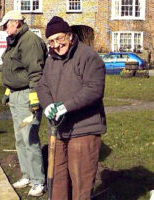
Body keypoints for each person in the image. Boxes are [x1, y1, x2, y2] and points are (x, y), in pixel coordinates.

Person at [37, 16, 107, 200]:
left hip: (84, 129)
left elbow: (94, 90)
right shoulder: (51, 59)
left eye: (59, 38)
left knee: (81, 182)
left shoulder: (88, 57)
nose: (56, 45)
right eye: (51, 41)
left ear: (69, 35)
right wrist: (48, 105)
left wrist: (65, 107)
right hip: (59, 130)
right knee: (58, 179)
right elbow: (42, 85)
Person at [0, 10, 47, 197]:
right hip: (16, 96)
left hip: (28, 96)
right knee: (20, 138)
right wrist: (8, 90)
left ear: (16, 22)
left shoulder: (30, 41)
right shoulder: (15, 41)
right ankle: (27, 175)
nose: (4, 28)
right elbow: (14, 70)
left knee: (30, 138)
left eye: (6, 25)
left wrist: (34, 98)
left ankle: (38, 181)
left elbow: (35, 72)